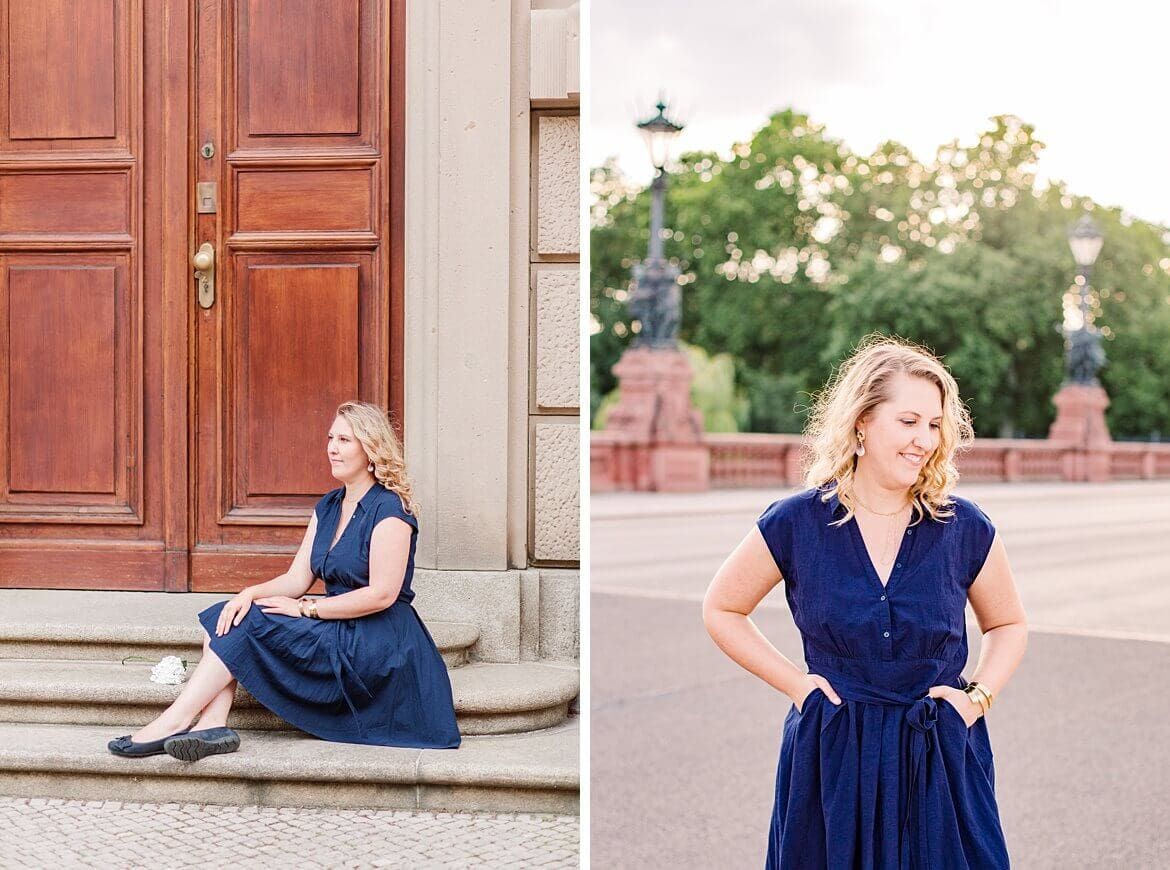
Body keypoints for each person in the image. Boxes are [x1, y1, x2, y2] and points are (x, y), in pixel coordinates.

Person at [702, 336, 1027, 869]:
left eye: (934, 424)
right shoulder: (796, 522)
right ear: (861, 423)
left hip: (938, 755)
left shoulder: (964, 527)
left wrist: (978, 698)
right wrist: (796, 686)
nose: (924, 439)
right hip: (834, 752)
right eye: (908, 421)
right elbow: (721, 609)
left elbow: (1009, 623)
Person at [108, 401, 460, 760]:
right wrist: (249, 593)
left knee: (246, 626)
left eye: (344, 440)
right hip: (335, 623)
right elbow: (297, 578)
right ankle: (212, 725)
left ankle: (174, 720)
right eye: (330, 437)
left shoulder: (390, 508)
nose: (332, 448)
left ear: (371, 450)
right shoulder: (329, 506)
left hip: (378, 640)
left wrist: (307, 609)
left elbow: (382, 595)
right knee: (226, 616)